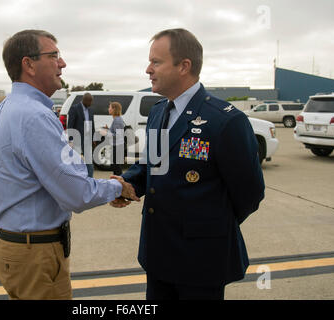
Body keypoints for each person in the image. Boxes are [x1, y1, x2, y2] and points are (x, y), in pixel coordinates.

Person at [111, 28, 265, 300]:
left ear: (184, 66)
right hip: (158, 253)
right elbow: (152, 165)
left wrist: (208, 226)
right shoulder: (159, 111)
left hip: (201, 260)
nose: (148, 69)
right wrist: (127, 184)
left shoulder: (225, 121)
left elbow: (249, 193)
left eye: (156, 62)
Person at [0, 29, 139, 300]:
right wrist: (116, 186)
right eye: (54, 55)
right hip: (35, 254)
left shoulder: (8, 107)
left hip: (13, 245)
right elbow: (76, 194)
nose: (62, 63)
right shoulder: (34, 116)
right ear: (28, 64)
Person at [67, 92, 95, 177]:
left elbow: (92, 124)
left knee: (89, 162)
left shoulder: (90, 110)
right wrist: (70, 140)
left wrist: (93, 138)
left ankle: (90, 180)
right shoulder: (74, 108)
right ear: (85, 100)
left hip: (87, 139)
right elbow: (70, 125)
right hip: (77, 139)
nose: (91, 103)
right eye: (90, 101)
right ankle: (76, 179)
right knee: (76, 162)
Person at [100, 102, 125, 176]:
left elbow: (118, 135)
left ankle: (120, 184)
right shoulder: (117, 119)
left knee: (116, 168)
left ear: (114, 109)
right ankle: (118, 184)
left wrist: (106, 133)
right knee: (115, 167)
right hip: (117, 146)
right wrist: (108, 129)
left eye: (110, 107)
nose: (108, 109)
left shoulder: (117, 120)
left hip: (117, 146)